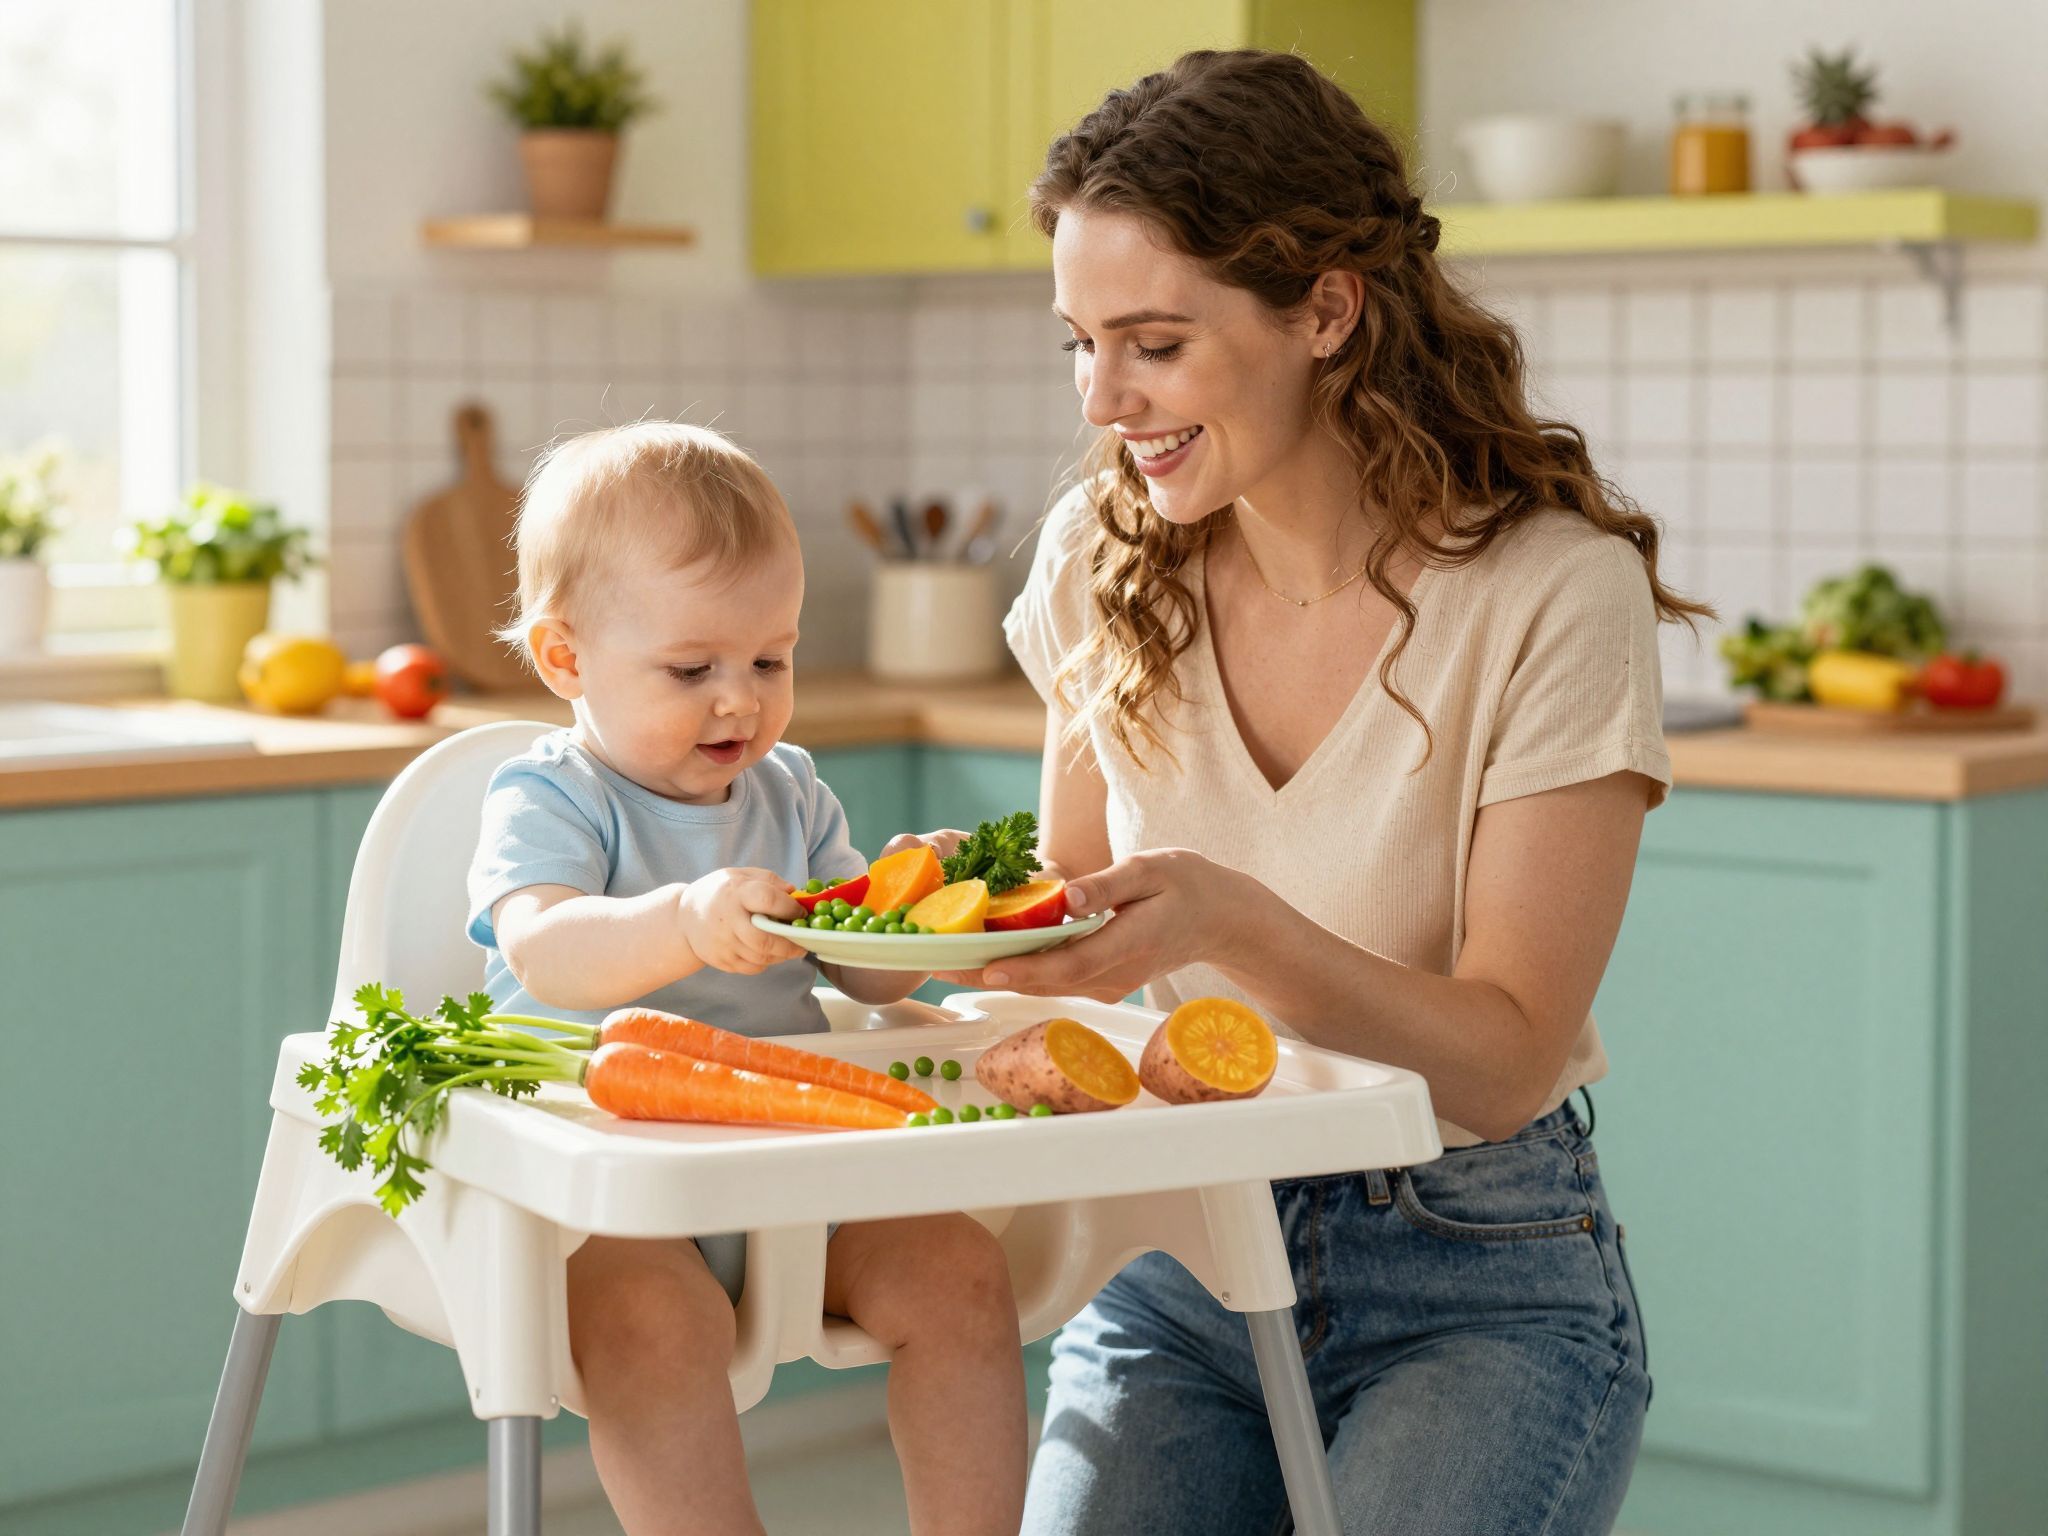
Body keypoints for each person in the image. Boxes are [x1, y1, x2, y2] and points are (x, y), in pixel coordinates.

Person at [910, 50, 1711, 1536]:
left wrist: (1231, 922)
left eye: (1152, 342)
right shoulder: (1104, 557)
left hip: (1473, 1273)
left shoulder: (1549, 593)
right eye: (1078, 344)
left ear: (1327, 310)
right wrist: (941, 925)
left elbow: (1505, 1059)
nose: (1104, 398)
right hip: (1182, 1247)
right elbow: (1078, 940)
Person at [466, 422, 1026, 1536]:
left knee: (959, 1272)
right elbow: (544, 947)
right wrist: (682, 919)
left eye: (770, 660)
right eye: (692, 670)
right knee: (647, 1333)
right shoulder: (549, 798)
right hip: (610, 1197)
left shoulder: (793, 791)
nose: (740, 701)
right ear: (566, 658)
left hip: (787, 1158)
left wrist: (920, 900)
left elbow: (863, 975)